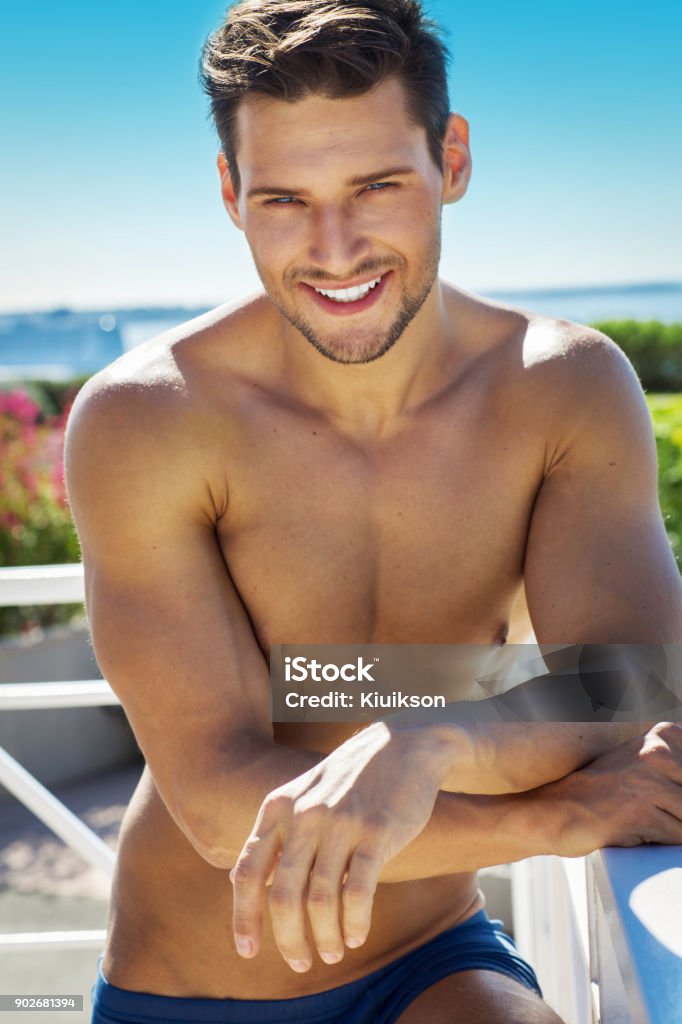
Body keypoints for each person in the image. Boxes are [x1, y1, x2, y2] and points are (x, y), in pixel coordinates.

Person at [65, 1, 682, 1021]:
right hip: (185, 988)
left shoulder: (559, 388)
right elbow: (225, 805)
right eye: (283, 200)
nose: (335, 248)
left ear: (453, 157)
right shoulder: (149, 418)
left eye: (376, 187)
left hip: (430, 961)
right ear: (229, 192)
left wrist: (423, 734)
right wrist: (558, 802)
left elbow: (634, 682)